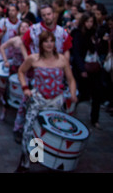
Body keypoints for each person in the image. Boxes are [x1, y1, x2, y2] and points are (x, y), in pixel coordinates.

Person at [15, 31, 77, 172]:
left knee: (52, 133)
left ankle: (48, 161)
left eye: (51, 41)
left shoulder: (62, 59)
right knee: (30, 130)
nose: (49, 44)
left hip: (56, 102)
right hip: (38, 100)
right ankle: (26, 162)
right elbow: (21, 72)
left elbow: (71, 79)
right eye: (46, 41)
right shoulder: (33, 58)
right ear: (40, 44)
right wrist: (25, 88)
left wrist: (73, 94)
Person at [71, 12, 103, 129]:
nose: (90, 24)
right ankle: (70, 113)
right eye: (88, 21)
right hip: (82, 68)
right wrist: (82, 69)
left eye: (91, 22)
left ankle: (95, 119)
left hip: (94, 68)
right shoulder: (78, 34)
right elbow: (76, 52)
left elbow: (96, 49)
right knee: (81, 94)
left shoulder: (94, 34)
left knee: (96, 94)